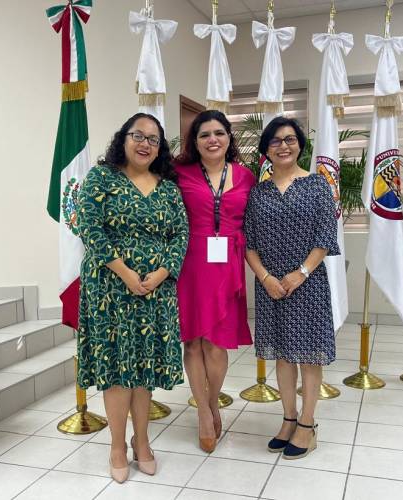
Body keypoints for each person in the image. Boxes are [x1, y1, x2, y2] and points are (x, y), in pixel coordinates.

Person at [76, 113, 188, 482]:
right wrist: (125, 272)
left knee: (144, 371)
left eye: (153, 139)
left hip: (156, 291)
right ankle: (116, 446)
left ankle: (143, 442)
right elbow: (89, 227)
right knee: (117, 371)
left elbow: (180, 234)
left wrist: (161, 272)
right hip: (110, 288)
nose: (145, 144)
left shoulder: (168, 188)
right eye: (138, 136)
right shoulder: (101, 178)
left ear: (160, 148)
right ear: (123, 139)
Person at [243, 116, 340, 460]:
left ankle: (308, 425)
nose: (283, 146)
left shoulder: (317, 186)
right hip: (270, 287)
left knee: (309, 354)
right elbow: (249, 244)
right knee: (283, 355)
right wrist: (267, 278)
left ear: (300, 145)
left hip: (308, 284)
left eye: (290, 139)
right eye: (275, 141)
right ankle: (288, 419)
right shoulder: (258, 192)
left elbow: (325, 238)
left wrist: (300, 272)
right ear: (266, 150)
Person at [174, 110, 255, 453]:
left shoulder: (247, 176)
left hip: (228, 264)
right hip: (192, 263)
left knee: (217, 342)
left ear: (228, 138)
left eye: (219, 132)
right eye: (204, 134)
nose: (212, 139)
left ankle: (211, 400)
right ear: (195, 142)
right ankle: (204, 413)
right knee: (193, 341)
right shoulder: (180, 173)